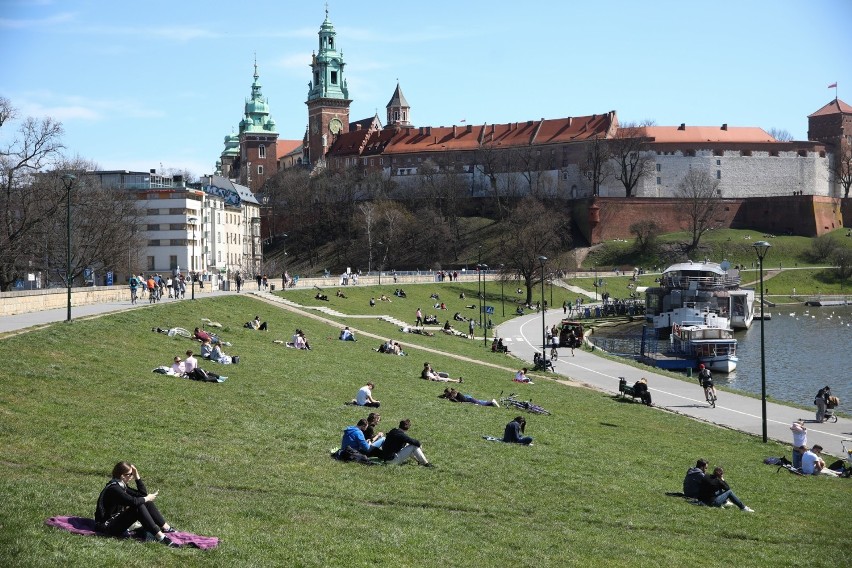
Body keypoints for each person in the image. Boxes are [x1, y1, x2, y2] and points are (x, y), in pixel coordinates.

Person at [94, 462, 180, 546]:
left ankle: (167, 528)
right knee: (138, 505)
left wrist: (136, 476)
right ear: (122, 476)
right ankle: (162, 538)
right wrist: (146, 498)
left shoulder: (121, 486)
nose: (131, 476)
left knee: (146, 501)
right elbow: (134, 502)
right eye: (130, 474)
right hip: (106, 527)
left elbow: (142, 495)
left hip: (115, 521)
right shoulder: (114, 489)